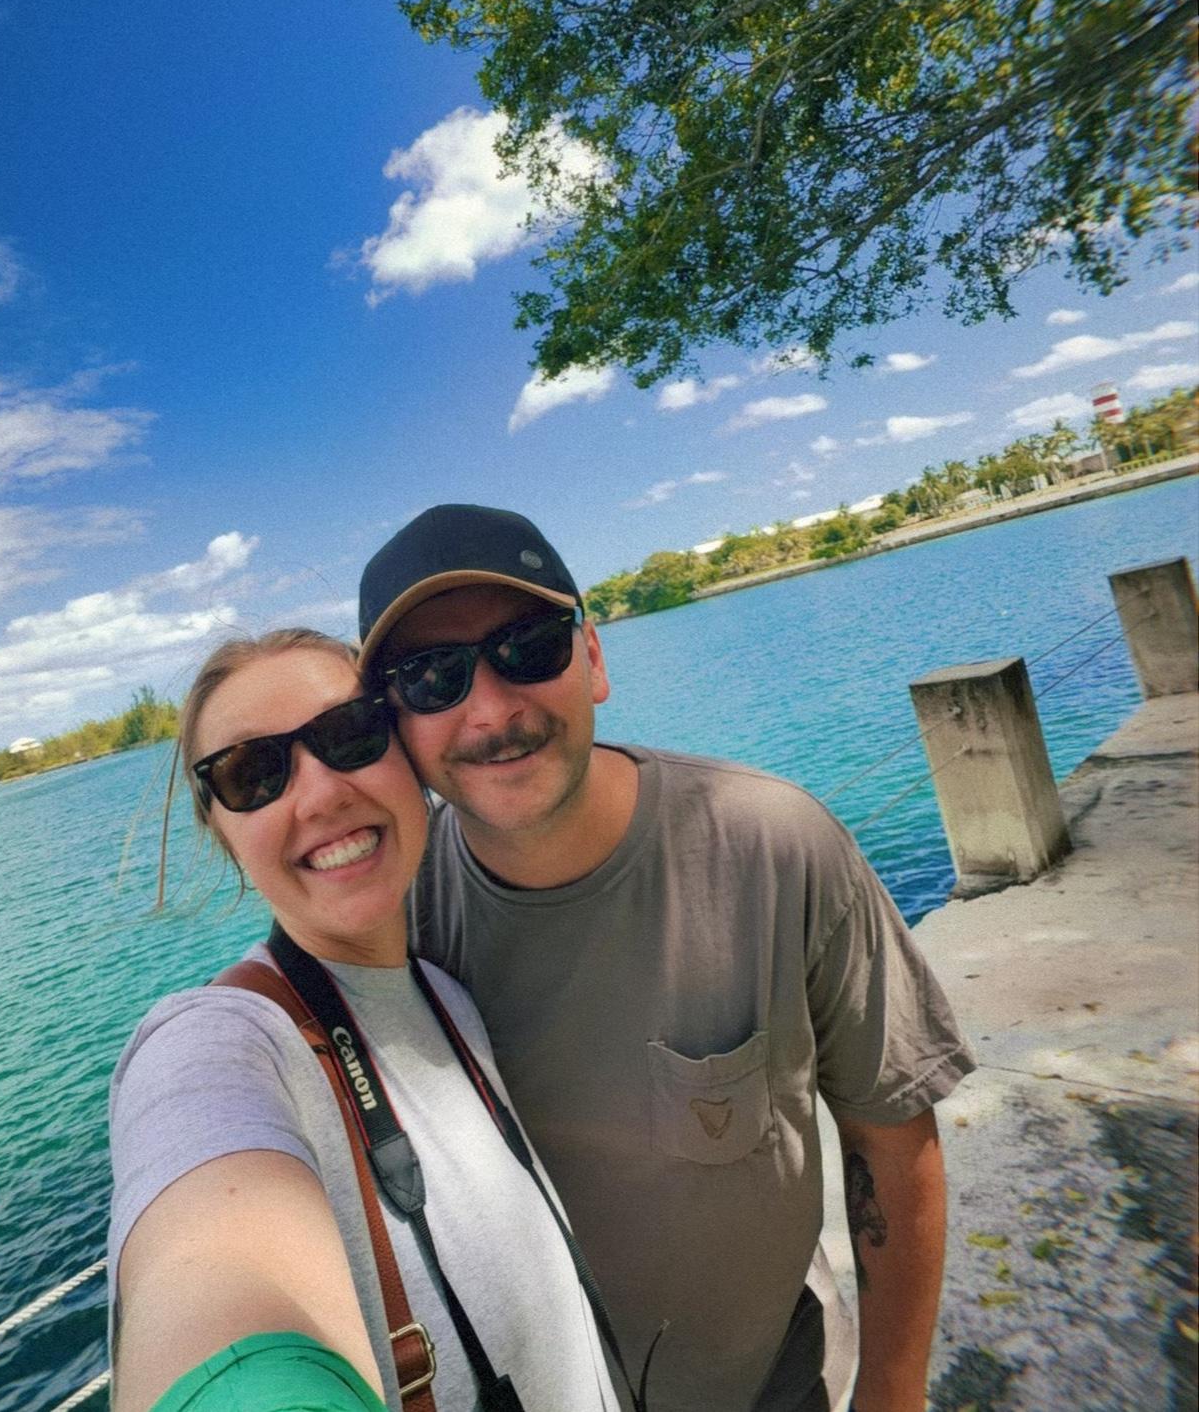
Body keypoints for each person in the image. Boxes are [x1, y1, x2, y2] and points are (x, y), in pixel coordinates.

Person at [356, 505, 977, 1412]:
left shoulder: (772, 846)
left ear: (594, 659)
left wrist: (892, 1391)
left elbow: (891, 1134)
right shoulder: (395, 928)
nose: (491, 710)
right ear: (395, 729)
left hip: (773, 1381)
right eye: (431, 679)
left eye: (529, 647)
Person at [106, 628, 624, 1412]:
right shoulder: (221, 1045)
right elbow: (209, 1271)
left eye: (349, 734)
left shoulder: (444, 993)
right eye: (254, 774)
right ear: (221, 828)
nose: (319, 795)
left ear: (406, 753)